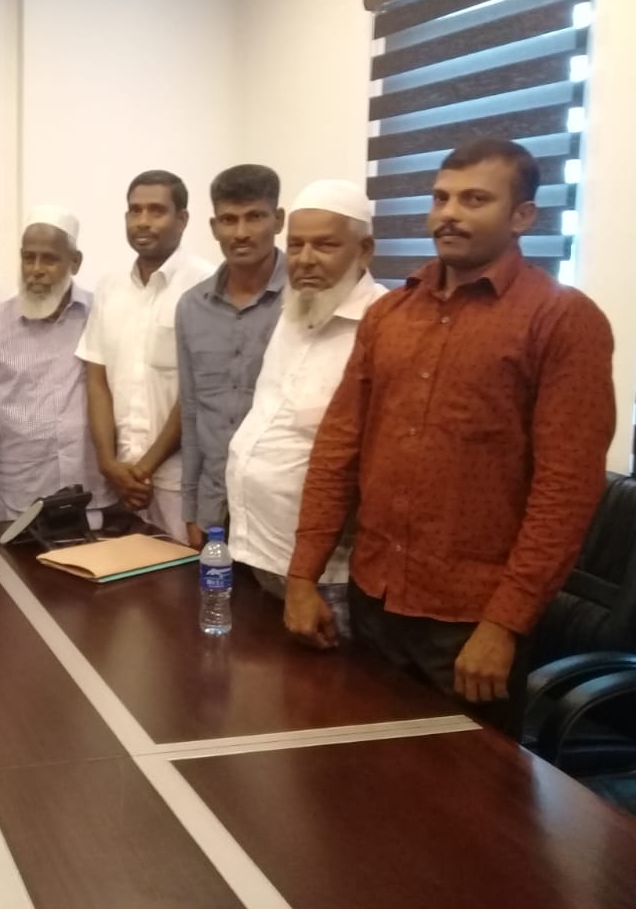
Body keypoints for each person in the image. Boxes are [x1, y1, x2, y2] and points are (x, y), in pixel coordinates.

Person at [285, 140, 615, 737]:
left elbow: (565, 491)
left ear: (522, 216)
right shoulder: (390, 314)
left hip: (470, 624)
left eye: (475, 200)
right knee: (361, 765)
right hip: (373, 597)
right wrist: (303, 576)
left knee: (465, 789)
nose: (449, 214)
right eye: (440, 198)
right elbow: (338, 450)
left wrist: (504, 626)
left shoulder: (562, 319)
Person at [225, 180, 387, 636]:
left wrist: (306, 578)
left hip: (327, 578)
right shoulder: (297, 311)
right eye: (296, 245)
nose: (305, 259)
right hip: (258, 552)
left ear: (365, 250)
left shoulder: (383, 325)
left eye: (325, 245)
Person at [78, 170, 210, 541]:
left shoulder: (207, 285)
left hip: (182, 482)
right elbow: (97, 379)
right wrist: (109, 463)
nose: (143, 221)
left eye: (156, 211)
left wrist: (145, 467)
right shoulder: (110, 287)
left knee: (185, 576)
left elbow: (199, 391)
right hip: (120, 481)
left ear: (182, 219)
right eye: (135, 211)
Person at [0, 206, 112, 522]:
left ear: (75, 261)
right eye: (29, 258)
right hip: (19, 504)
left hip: (94, 499)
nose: (36, 270)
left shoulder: (101, 315)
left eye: (50, 259)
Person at [176, 164, 287, 548]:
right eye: (228, 219)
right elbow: (192, 412)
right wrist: (191, 508)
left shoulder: (305, 299)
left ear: (278, 220)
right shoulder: (191, 307)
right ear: (213, 227)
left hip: (280, 511)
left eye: (254, 217)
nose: (240, 232)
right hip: (215, 508)